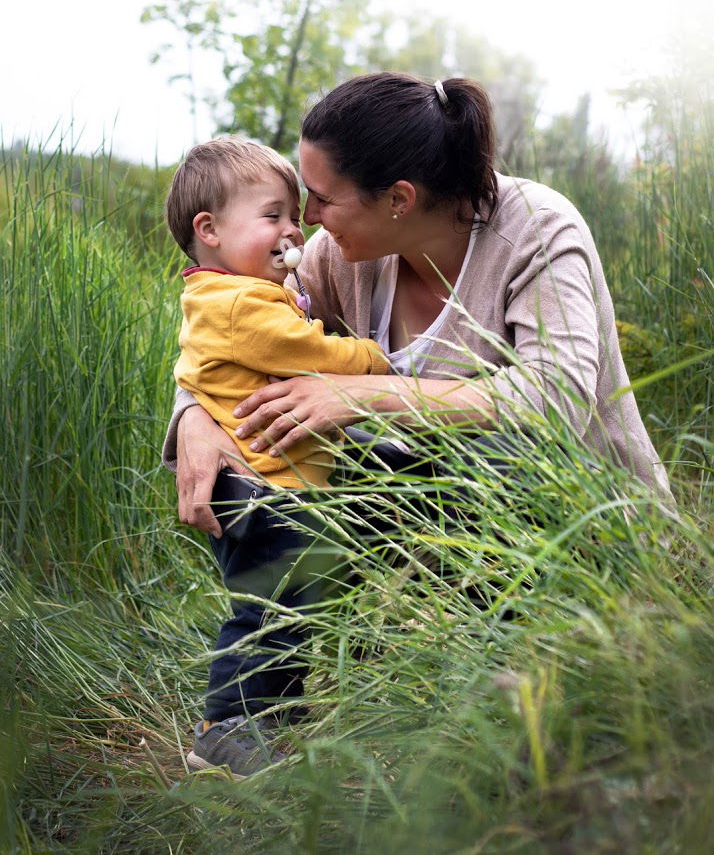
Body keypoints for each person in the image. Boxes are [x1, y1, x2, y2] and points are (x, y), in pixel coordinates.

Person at [164, 73, 672, 772]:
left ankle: (530, 695)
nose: (308, 219)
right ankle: (250, 720)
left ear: (399, 199)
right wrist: (194, 416)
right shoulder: (342, 255)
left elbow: (555, 397)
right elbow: (229, 325)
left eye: (322, 198)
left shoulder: (539, 231)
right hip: (440, 525)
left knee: (485, 453)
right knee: (278, 506)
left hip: (584, 527)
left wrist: (361, 396)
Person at [163, 136, 389, 776]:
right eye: (274, 216)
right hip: (259, 487)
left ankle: (269, 728)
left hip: (273, 484)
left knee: (294, 606)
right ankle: (226, 727)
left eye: (295, 215)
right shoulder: (238, 304)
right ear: (209, 230)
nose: (294, 231)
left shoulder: (235, 293)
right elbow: (312, 351)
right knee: (271, 612)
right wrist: (371, 361)